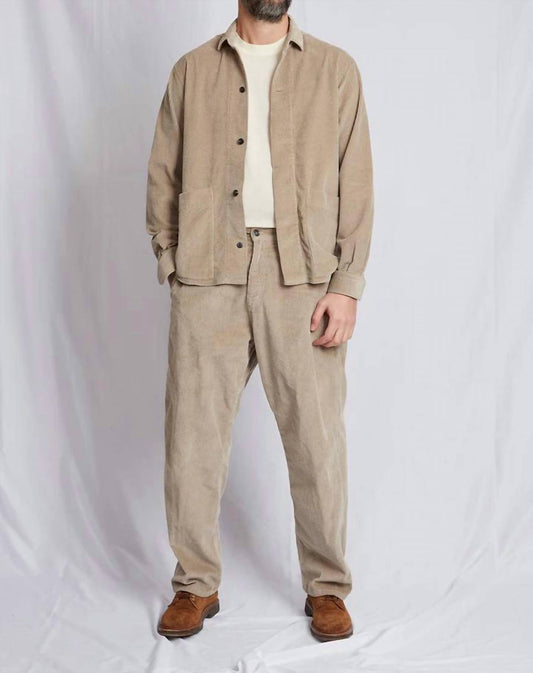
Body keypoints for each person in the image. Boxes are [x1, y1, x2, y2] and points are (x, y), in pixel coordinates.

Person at [145, 0, 373, 642]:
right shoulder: (192, 70)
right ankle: (195, 584)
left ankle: (327, 587)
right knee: (192, 437)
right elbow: (162, 172)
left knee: (316, 438)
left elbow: (355, 182)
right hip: (208, 269)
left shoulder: (335, 69)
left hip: (302, 275)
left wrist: (346, 285)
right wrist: (172, 260)